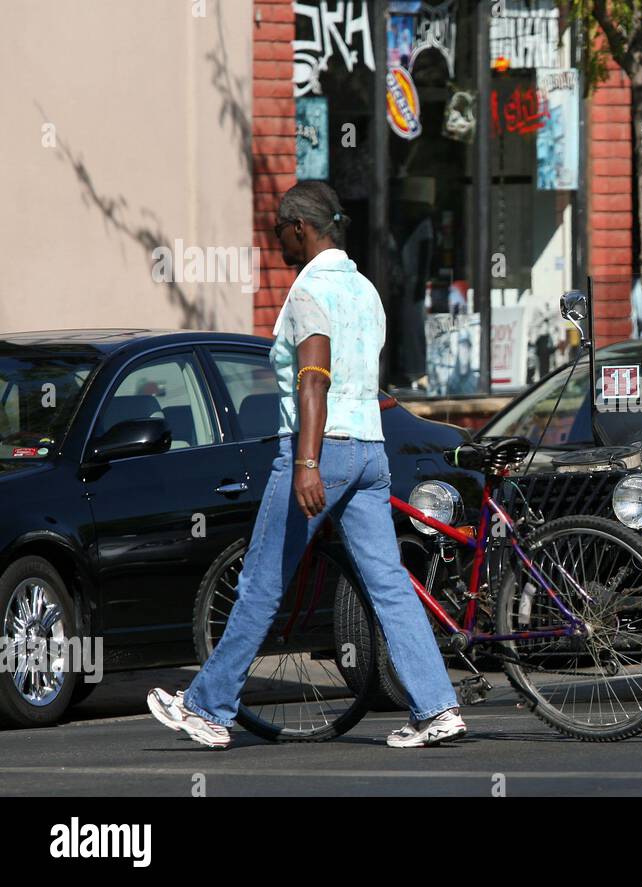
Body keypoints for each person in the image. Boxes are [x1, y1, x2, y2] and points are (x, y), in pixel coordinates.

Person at [148, 181, 466, 749]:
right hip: (371, 450)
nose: (277, 243)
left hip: (322, 449)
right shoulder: (366, 290)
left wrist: (307, 462)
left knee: (261, 582)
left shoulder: (307, 294)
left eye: (279, 231)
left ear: (301, 227)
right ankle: (437, 707)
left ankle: (208, 707)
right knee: (390, 583)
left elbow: (313, 379)